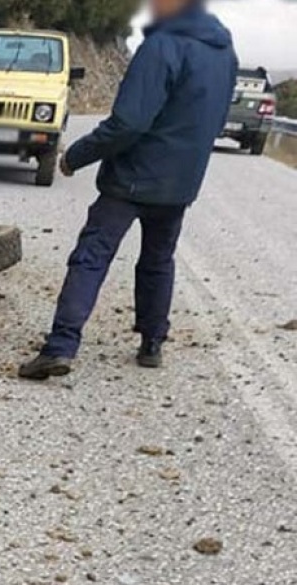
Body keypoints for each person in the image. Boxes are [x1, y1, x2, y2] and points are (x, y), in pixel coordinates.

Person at [19, 0, 238, 380]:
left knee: (91, 256)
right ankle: (152, 342)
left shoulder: (163, 46)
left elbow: (129, 123)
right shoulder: (223, 51)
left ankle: (60, 346)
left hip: (133, 178)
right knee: (158, 259)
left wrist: (77, 155)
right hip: (181, 183)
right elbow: (218, 120)